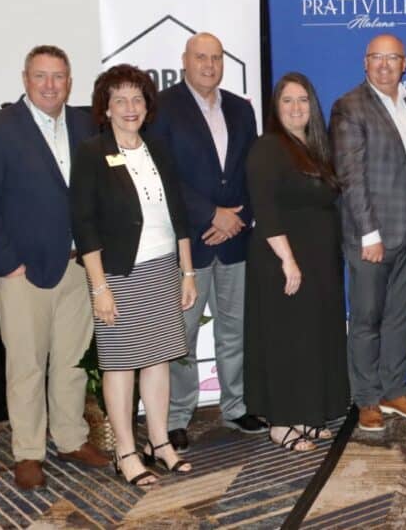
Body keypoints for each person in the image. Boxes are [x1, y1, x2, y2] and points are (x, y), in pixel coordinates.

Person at [0, 45, 107, 489]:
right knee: (27, 366)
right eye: (41, 76)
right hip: (22, 273)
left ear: (70, 82)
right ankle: (28, 453)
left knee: (71, 362)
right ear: (25, 79)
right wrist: (9, 264)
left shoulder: (85, 125)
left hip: (77, 267)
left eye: (59, 76)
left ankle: (70, 439)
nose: (50, 85)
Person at [70, 64, 197, 486]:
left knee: (158, 358)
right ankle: (125, 451)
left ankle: (159, 443)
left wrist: (187, 271)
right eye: (120, 100)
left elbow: (178, 214)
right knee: (121, 365)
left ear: (147, 105)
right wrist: (99, 287)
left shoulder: (157, 148)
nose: (130, 107)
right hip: (119, 274)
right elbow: (84, 225)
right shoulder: (92, 152)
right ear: (106, 109)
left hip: (162, 268)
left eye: (137, 99)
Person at [151, 32, 264, 452]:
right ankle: (178, 415)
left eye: (216, 58)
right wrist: (210, 215)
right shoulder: (162, 107)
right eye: (201, 57)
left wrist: (239, 218)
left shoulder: (240, 108)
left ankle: (235, 407)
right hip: (189, 243)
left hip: (235, 240)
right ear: (185, 60)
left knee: (235, 330)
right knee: (180, 334)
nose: (209, 65)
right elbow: (162, 173)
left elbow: (253, 169)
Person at [329, 33, 406, 432]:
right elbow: (350, 175)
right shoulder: (349, 106)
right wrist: (368, 233)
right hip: (372, 237)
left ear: (405, 64)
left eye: (392, 58)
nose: (385, 65)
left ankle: (392, 389)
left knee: (401, 318)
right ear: (365, 62)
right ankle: (367, 397)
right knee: (367, 319)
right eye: (377, 57)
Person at [244, 73, 350, 452]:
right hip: (283, 261)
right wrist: (288, 260)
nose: (295, 108)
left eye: (302, 100)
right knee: (285, 340)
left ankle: (307, 414)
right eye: (287, 100)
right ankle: (282, 421)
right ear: (276, 107)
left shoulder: (315, 148)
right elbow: (265, 209)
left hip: (319, 263)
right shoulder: (268, 147)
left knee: (311, 340)